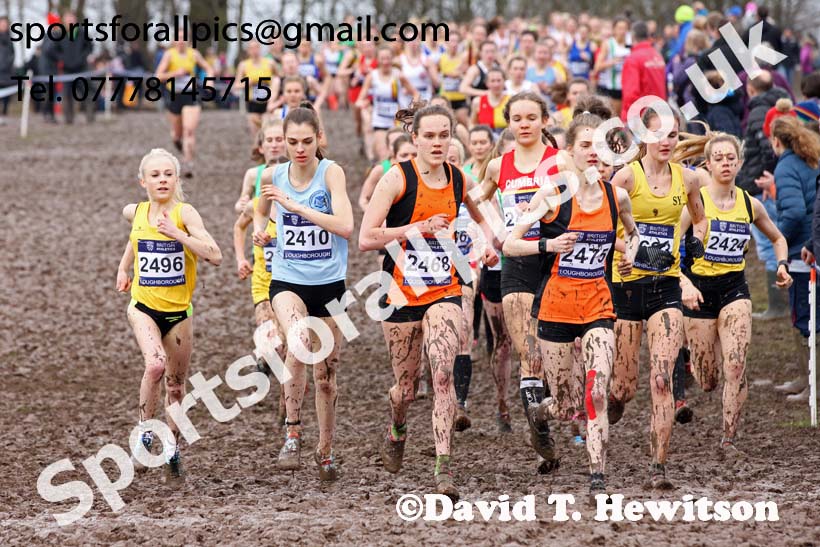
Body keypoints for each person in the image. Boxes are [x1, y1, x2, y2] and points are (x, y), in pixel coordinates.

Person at [358, 103, 498, 501]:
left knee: (441, 374)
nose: (437, 143)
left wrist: (488, 243)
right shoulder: (396, 179)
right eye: (430, 136)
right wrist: (414, 228)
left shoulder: (458, 178)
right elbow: (367, 238)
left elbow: (482, 215)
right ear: (414, 138)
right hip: (400, 292)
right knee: (406, 387)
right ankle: (397, 426)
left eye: (444, 135)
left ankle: (443, 468)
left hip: (445, 288)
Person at [505, 112, 640, 495]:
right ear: (570, 152)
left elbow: (634, 236)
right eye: (586, 145)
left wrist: (630, 252)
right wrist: (548, 244)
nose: (594, 153)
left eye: (601, 146)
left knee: (597, 390)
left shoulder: (619, 197)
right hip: (556, 307)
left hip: (598, 305)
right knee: (565, 406)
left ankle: (597, 474)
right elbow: (509, 243)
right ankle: (539, 411)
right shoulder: (552, 196)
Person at [607, 109, 708, 489]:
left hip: (666, 288)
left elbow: (698, 218)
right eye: (659, 134)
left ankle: (658, 467)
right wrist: (633, 251)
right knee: (625, 387)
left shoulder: (690, 178)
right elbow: (599, 227)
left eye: (673, 135)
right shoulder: (626, 177)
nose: (666, 141)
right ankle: (614, 399)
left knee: (662, 379)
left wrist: (695, 242)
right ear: (643, 138)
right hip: (627, 287)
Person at [252, 103, 352, 480]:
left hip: (329, 283)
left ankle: (325, 449)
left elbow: (345, 226)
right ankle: (292, 432)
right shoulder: (275, 174)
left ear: (318, 138)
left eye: (306, 141)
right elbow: (261, 211)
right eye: (292, 141)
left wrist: (296, 208)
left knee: (326, 375)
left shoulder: (331, 174)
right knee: (297, 343)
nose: (298, 148)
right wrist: (264, 233)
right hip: (288, 279)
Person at [675, 131, 792, 453]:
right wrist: (683, 282)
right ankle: (700, 371)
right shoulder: (695, 203)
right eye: (719, 159)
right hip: (699, 293)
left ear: (739, 163)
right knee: (707, 378)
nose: (725, 163)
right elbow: (671, 248)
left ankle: (728, 438)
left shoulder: (748, 203)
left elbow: (777, 238)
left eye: (730, 158)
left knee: (736, 364)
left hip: (734, 289)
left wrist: (782, 265)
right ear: (708, 164)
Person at [116, 148, 223, 479]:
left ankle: (172, 447)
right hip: (143, 307)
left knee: (176, 387)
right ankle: (144, 434)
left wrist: (178, 235)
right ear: (143, 181)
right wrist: (124, 269)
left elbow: (215, 255)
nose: (162, 180)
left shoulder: (185, 214)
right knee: (155, 365)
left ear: (176, 179)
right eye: (155, 175)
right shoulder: (135, 211)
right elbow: (135, 237)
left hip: (179, 313)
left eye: (168, 174)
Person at [478, 91, 561, 472]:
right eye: (517, 118)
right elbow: (475, 200)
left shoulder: (560, 162)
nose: (524, 124)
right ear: (508, 123)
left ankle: (547, 408)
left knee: (556, 352)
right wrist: (491, 235)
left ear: (544, 120)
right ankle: (537, 424)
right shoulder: (498, 167)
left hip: (556, 261)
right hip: (515, 262)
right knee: (528, 349)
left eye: (532, 117)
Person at [761, 117, 820, 401]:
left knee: (805, 316)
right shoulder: (808, 158)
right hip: (810, 243)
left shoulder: (785, 166)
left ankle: (812, 383)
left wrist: (778, 239)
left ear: (776, 141)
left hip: (800, 251)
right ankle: (804, 377)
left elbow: (795, 212)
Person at [155, 30, 214, 177]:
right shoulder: (169, 55)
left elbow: (208, 68)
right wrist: (174, 74)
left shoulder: (193, 54)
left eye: (183, 38)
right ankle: (182, 147)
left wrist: (210, 81)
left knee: (189, 130)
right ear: (174, 41)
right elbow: (158, 76)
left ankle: (188, 164)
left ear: (187, 40)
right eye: (178, 39)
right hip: (174, 96)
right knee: (176, 135)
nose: (181, 41)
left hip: (190, 95)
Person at [356, 46, 418, 162]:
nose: (385, 62)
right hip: (379, 120)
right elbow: (360, 99)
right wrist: (364, 105)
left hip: (397, 122)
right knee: (383, 155)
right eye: (382, 59)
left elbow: (415, 93)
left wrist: (410, 110)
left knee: (400, 155)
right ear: (378, 60)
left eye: (388, 58)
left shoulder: (398, 75)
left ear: (392, 59)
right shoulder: (372, 76)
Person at [620, 21, 667, 121]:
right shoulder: (657, 55)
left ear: (632, 36)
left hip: (642, 117)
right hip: (658, 114)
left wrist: (629, 119)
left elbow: (630, 94)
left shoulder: (633, 59)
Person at [234, 41, 278, 136]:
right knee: (256, 135)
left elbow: (279, 79)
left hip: (268, 102)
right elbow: (236, 85)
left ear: (260, 48)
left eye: (257, 47)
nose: (254, 50)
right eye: (251, 48)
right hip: (252, 102)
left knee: (268, 133)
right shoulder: (244, 65)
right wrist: (247, 83)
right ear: (248, 51)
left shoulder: (270, 63)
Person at [593, 16, 630, 117]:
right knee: (614, 117)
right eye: (619, 28)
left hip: (629, 88)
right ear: (614, 29)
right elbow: (597, 67)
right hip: (614, 87)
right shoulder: (608, 44)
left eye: (625, 28)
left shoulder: (631, 44)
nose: (622, 31)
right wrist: (612, 62)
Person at [470, 67, 509, 136]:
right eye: (492, 81)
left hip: (505, 139)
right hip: (485, 140)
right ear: (487, 83)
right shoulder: (478, 101)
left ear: (504, 82)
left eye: (499, 80)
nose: (496, 84)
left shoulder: (510, 101)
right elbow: (473, 124)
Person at [0, 16, 14, 125]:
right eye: (2, 23)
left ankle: (4, 112)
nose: (4, 25)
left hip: (7, 70)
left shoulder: (10, 38)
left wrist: (8, 63)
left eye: (5, 23)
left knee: (6, 94)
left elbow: (12, 54)